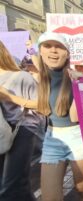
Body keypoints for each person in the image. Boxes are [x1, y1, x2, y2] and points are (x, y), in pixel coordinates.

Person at [36, 32, 83, 201]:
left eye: (59, 47)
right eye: (48, 46)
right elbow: (40, 106)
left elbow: (77, 115)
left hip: (78, 137)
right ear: (40, 51)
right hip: (52, 139)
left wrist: (81, 83)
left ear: (67, 53)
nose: (53, 51)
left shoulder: (76, 77)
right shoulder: (37, 77)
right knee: (49, 198)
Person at [0, 41, 44, 201]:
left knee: (11, 187)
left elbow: (43, 105)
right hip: (1, 133)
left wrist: (9, 97)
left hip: (23, 130)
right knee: (17, 187)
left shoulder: (21, 77)